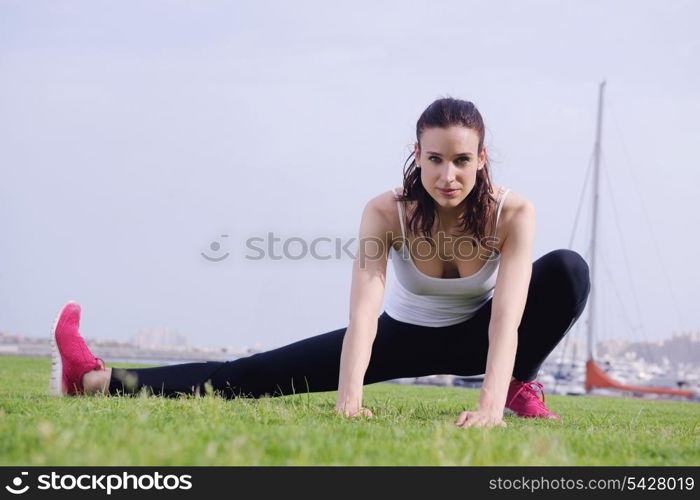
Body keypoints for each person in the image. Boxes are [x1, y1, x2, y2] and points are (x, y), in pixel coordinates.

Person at [50, 97, 590, 429]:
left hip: (483, 335)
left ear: (482, 158)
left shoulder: (512, 213)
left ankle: (521, 386)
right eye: (435, 159)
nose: (448, 174)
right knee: (252, 375)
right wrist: (348, 401)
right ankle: (94, 381)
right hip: (400, 337)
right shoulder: (385, 213)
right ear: (417, 154)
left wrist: (491, 403)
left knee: (567, 269)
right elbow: (363, 315)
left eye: (462, 160)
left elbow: (507, 318)